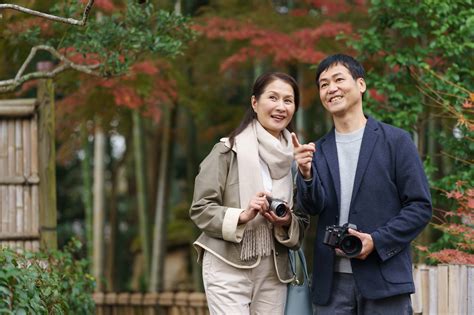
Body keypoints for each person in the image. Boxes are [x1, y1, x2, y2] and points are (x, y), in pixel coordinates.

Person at [292, 54, 432, 314]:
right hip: (331, 285)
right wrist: (306, 173)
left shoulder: (396, 141)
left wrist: (377, 241)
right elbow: (311, 208)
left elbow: (420, 207)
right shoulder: (317, 150)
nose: (331, 88)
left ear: (361, 85)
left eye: (338, 79)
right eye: (323, 84)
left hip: (384, 277)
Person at [190, 72, 309, 314]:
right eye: (273, 97)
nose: (280, 107)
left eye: (288, 100)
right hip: (227, 264)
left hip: (275, 270)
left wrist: (286, 221)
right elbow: (200, 209)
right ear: (255, 103)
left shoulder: (296, 161)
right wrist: (241, 216)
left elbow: (303, 223)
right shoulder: (226, 151)